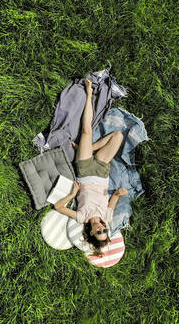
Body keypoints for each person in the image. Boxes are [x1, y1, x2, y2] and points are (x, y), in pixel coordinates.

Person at [54, 78, 128, 256]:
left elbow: (58, 207)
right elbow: (114, 198)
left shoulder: (82, 218)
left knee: (87, 131)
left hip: (85, 170)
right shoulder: (107, 217)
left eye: (99, 233)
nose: (102, 228)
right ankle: (88, 147)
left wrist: (72, 194)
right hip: (102, 171)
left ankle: (89, 93)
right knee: (117, 135)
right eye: (105, 231)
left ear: (91, 233)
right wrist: (118, 193)